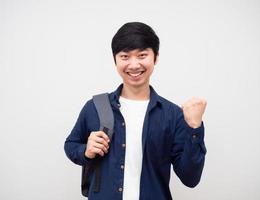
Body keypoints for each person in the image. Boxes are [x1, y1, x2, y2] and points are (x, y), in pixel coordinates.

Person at [64, 22, 207, 200]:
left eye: (142, 55)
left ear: (155, 57)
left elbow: (190, 178)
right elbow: (71, 145)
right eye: (125, 56)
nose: (133, 65)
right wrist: (86, 150)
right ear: (115, 59)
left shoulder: (172, 115)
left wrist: (194, 128)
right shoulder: (95, 106)